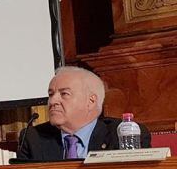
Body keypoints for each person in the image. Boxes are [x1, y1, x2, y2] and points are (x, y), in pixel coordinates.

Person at [17, 66, 152, 161]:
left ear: (91, 101)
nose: (53, 101)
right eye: (51, 94)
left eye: (64, 94)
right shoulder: (33, 138)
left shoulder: (122, 134)